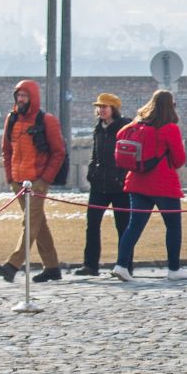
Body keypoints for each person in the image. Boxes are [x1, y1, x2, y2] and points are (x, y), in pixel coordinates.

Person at [112, 88, 187, 283]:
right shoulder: (170, 128)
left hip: (138, 182)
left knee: (134, 226)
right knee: (173, 226)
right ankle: (174, 268)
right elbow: (179, 160)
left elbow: (120, 134)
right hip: (163, 185)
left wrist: (139, 123)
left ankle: (121, 265)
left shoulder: (137, 125)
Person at [0, 78, 65, 283]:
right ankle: (52, 267)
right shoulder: (12, 119)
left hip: (37, 181)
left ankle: (13, 265)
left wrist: (45, 179)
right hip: (18, 181)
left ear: (32, 98)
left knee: (30, 223)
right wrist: (10, 177)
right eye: (18, 96)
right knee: (38, 223)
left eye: (24, 96)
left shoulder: (47, 120)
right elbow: (7, 150)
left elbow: (58, 152)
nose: (21, 99)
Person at [76, 93, 127, 276]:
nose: (101, 110)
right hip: (99, 184)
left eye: (105, 106)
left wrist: (122, 176)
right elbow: (95, 155)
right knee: (92, 224)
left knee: (122, 226)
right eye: (99, 107)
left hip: (119, 185)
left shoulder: (123, 127)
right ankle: (90, 265)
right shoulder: (98, 129)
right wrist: (92, 173)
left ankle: (125, 264)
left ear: (114, 109)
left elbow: (128, 154)